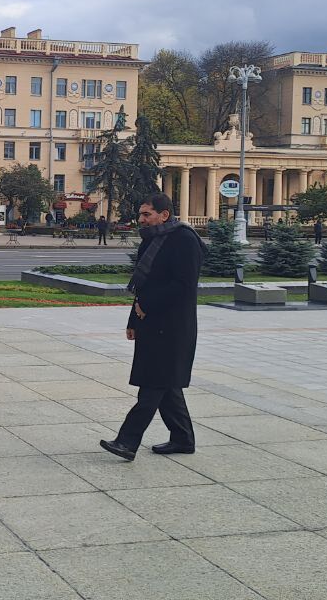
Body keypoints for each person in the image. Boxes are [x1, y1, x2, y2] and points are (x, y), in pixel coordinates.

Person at [101, 192, 206, 462]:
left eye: (146, 214)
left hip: (172, 325)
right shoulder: (152, 240)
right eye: (141, 214)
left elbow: (183, 286)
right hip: (151, 322)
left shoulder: (184, 240)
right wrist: (133, 319)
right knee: (166, 384)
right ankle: (183, 439)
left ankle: (127, 441)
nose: (141, 219)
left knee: (153, 384)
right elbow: (142, 286)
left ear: (164, 215)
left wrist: (146, 305)